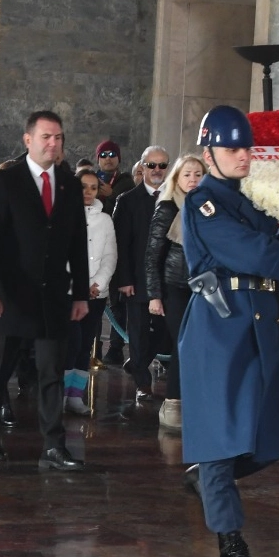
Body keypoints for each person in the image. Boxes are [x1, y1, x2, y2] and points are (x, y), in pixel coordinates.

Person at [178, 106, 279, 557]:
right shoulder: (204, 203)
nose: (242, 156)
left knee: (271, 437)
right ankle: (231, 545)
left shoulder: (254, 201)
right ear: (209, 152)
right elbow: (255, 252)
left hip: (259, 323)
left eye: (246, 147)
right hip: (220, 327)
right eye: (232, 148)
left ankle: (209, 479)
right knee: (219, 441)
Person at [0, 110, 90, 470]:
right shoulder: (6, 183)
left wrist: (81, 293)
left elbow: (77, 244)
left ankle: (54, 444)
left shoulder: (69, 183)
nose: (53, 144)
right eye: (45, 137)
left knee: (52, 371)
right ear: (28, 140)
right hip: (10, 294)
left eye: (58, 138)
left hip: (53, 295)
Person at [145, 154, 205, 429]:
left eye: (198, 174)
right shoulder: (168, 207)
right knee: (183, 344)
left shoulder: (210, 207)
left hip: (204, 287)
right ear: (177, 178)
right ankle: (173, 404)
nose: (193, 179)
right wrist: (154, 295)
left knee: (199, 346)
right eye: (187, 174)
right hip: (175, 287)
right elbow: (153, 255)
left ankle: (196, 402)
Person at [112, 145, 172, 400]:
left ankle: (138, 361)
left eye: (162, 165)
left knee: (165, 331)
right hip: (135, 279)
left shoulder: (175, 200)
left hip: (167, 280)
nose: (157, 170)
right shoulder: (127, 201)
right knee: (137, 331)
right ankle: (142, 383)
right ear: (142, 167)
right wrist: (124, 279)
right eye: (152, 165)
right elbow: (120, 244)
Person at [64, 168, 118, 416]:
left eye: (93, 187)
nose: (88, 192)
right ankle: (61, 394)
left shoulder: (105, 220)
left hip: (96, 292)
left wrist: (98, 282)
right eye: (83, 186)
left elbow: (109, 256)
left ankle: (76, 396)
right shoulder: (64, 214)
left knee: (85, 344)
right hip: (69, 290)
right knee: (69, 343)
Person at [93, 140, 134, 211]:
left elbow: (130, 210)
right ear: (98, 160)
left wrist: (111, 195)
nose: (108, 158)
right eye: (103, 155)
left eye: (112, 154)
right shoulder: (91, 180)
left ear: (118, 159)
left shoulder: (126, 182)